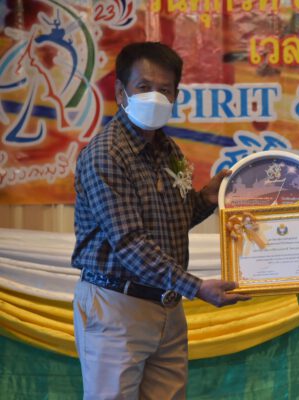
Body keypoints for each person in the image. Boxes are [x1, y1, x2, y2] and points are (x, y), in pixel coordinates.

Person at [71, 42, 250, 399]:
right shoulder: (106, 154)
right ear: (121, 92)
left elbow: (171, 223)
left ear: (175, 96)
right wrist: (196, 287)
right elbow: (129, 242)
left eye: (164, 90)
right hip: (117, 305)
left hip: (167, 305)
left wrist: (207, 199)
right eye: (143, 87)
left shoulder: (168, 150)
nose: (155, 97)